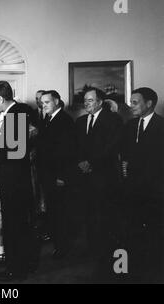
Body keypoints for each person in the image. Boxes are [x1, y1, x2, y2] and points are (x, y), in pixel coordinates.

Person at [0, 81, 33, 281]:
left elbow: (18, 153)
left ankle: (16, 269)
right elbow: (2, 138)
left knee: (13, 226)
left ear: (1, 98)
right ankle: (23, 264)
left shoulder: (15, 114)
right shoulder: (17, 112)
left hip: (14, 181)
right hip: (16, 181)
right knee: (18, 225)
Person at [75, 88, 123, 264]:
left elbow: (112, 147)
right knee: (88, 213)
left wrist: (92, 163)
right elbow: (77, 147)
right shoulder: (80, 121)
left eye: (90, 100)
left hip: (104, 176)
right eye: (85, 101)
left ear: (100, 102)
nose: (86, 103)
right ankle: (92, 248)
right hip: (84, 176)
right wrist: (81, 162)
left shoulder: (113, 119)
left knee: (104, 213)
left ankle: (106, 251)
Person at [121, 87, 164, 282]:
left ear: (149, 104)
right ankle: (134, 269)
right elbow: (127, 153)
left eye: (135, 102)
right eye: (131, 102)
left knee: (154, 231)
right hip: (132, 189)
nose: (131, 106)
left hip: (155, 191)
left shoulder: (161, 126)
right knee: (134, 229)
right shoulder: (130, 125)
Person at [37, 90, 76, 260]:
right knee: (53, 211)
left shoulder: (65, 120)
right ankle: (58, 242)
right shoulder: (48, 118)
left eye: (47, 102)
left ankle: (62, 248)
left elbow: (67, 152)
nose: (43, 105)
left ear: (57, 101)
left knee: (61, 213)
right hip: (48, 174)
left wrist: (62, 176)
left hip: (58, 176)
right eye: (42, 102)